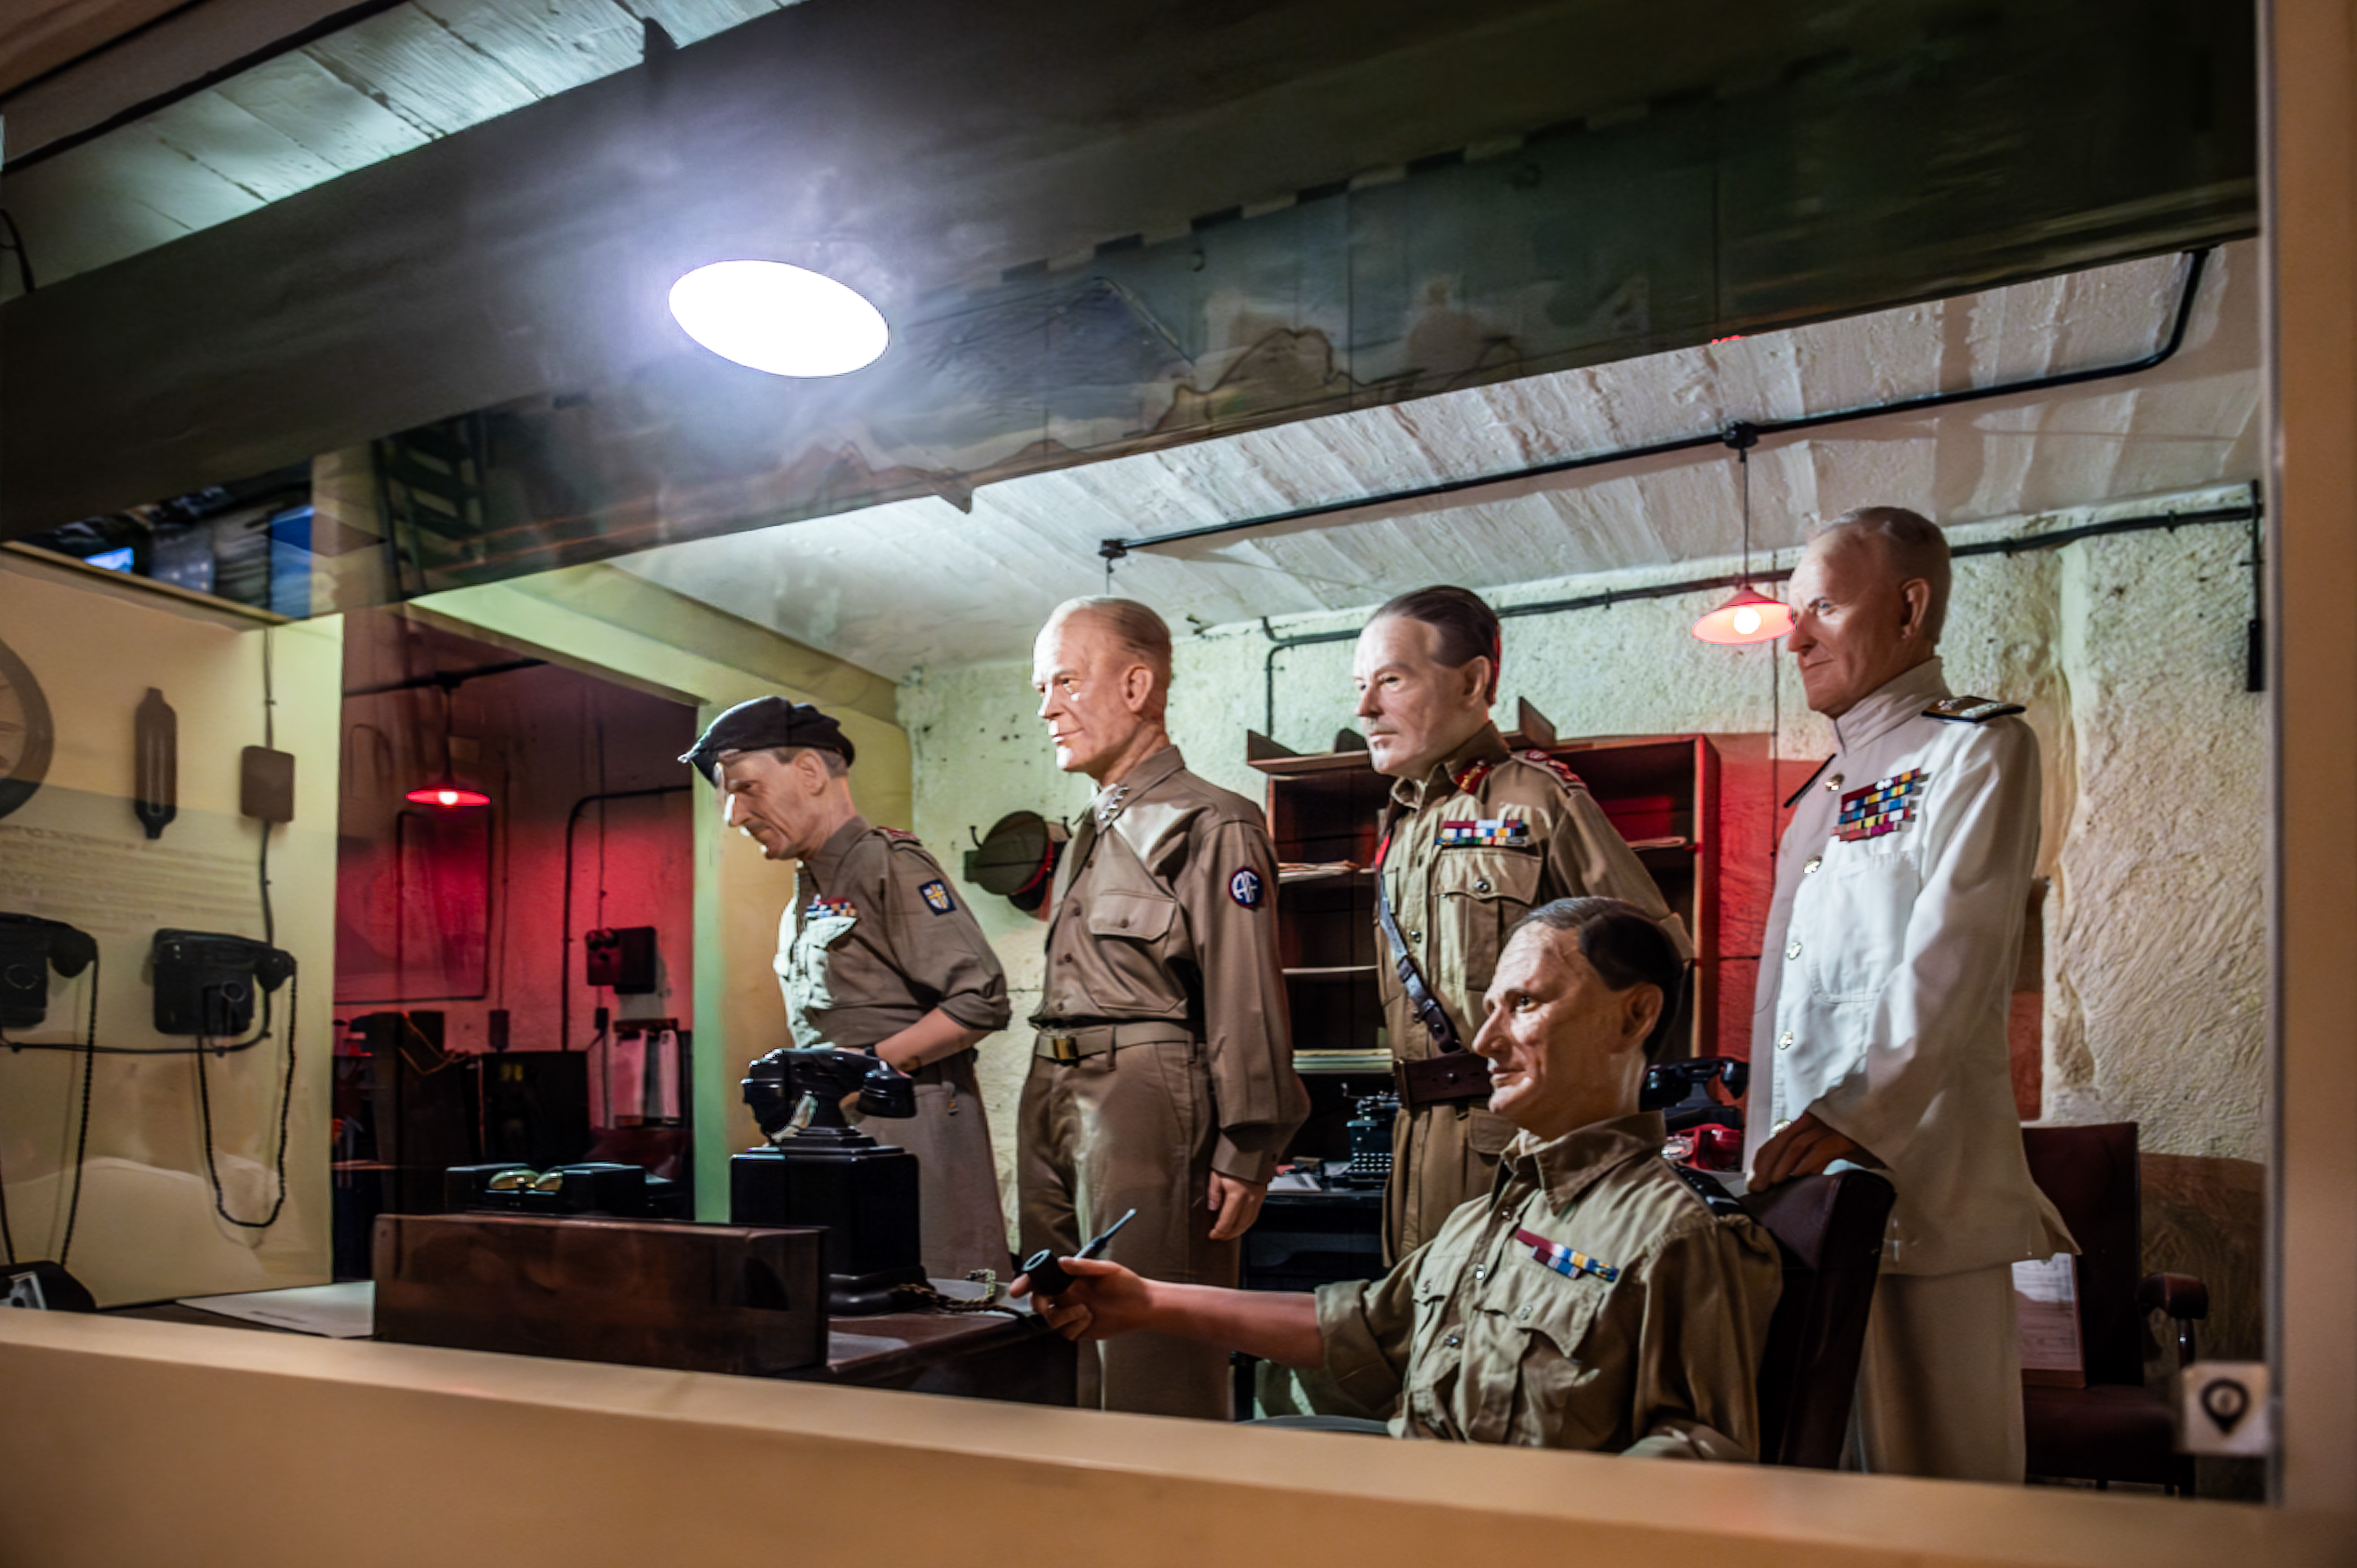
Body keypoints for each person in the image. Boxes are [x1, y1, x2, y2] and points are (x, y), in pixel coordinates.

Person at [1020, 898, 1781, 1456]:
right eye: (1490, 1008)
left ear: (1635, 1015)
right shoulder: (1488, 1214)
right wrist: (1148, 1299)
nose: (1486, 1040)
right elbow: (1355, 1328)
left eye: (1524, 1004)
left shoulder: (1674, 1235)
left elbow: (1699, 1464)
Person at [1746, 508, 2073, 1482]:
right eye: (1792, 614)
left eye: (1825, 608)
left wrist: (1854, 1113)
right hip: (1807, 1193)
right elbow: (1787, 1005)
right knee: (1820, 1474)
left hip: (1924, 1191)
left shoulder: (1975, 751)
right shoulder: (1818, 795)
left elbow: (1955, 961)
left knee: (1945, 1481)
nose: (1795, 635)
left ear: (1911, 606)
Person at [1022, 596, 1307, 1419]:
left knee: (1153, 1349)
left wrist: (1248, 1143)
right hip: (1057, 1086)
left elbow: (1245, 994)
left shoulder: (1209, 820)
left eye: (1067, 681)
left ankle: (1167, 1525)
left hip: (1144, 1096)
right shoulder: (1091, 830)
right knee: (1061, 1315)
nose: (1047, 708)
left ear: (1138, 684)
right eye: (1042, 688)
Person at [1354, 585, 1691, 1260]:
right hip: (1414, 1140)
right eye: (1361, 685)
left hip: (1519, 1144)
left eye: (1391, 680)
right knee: (1420, 1335)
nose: (1365, 708)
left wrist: (1591, 1130)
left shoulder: (1538, 802)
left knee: (1516, 1344)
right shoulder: (1401, 827)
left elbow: (1657, 965)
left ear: (1474, 681)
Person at [681, 696, 1012, 1281]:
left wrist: (859, 1071)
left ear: (809, 772)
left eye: (746, 788)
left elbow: (980, 1000)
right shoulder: (807, 896)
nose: (733, 816)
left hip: (912, 1134)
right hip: (835, 1134)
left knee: (930, 1301)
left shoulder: (890, 866)